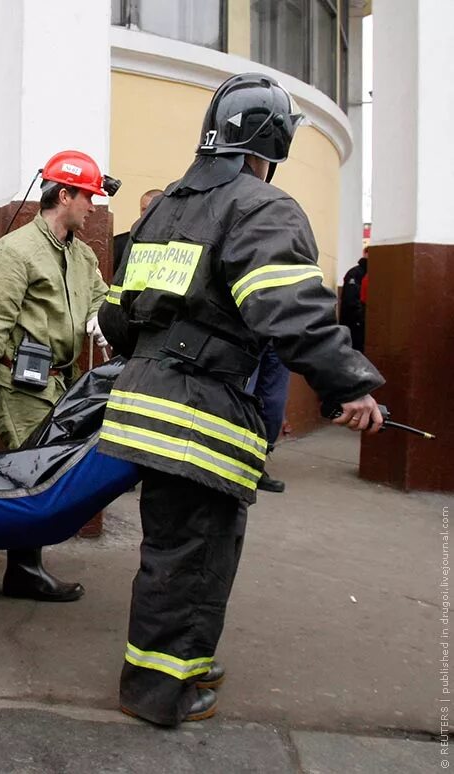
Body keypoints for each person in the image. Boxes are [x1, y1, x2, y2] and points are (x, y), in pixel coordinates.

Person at [97, 73, 385, 726]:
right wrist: (351, 384)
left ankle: (181, 661)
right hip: (200, 415)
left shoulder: (163, 206)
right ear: (270, 145)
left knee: (175, 551)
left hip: (142, 404)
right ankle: (161, 690)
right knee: (194, 558)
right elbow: (288, 310)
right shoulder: (262, 208)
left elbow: (116, 320)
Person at [0, 150, 112, 602]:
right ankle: (23, 570)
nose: (92, 206)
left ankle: (24, 567)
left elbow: (101, 297)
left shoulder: (80, 255)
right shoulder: (15, 251)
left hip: (61, 380)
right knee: (31, 473)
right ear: (64, 195)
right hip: (21, 383)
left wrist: (102, 317)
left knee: (44, 470)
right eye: (87, 197)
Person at [249, 344, 289, 492]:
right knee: (272, 398)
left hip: (251, 330)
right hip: (280, 332)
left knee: (241, 393)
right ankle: (255, 466)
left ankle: (251, 466)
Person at [112, 188, 163, 263]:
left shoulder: (177, 242)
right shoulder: (120, 243)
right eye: (144, 209)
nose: (146, 213)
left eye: (152, 208)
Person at [339, 252, 368, 351]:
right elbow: (350, 299)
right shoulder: (355, 273)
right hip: (354, 323)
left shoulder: (368, 272)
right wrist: (361, 318)